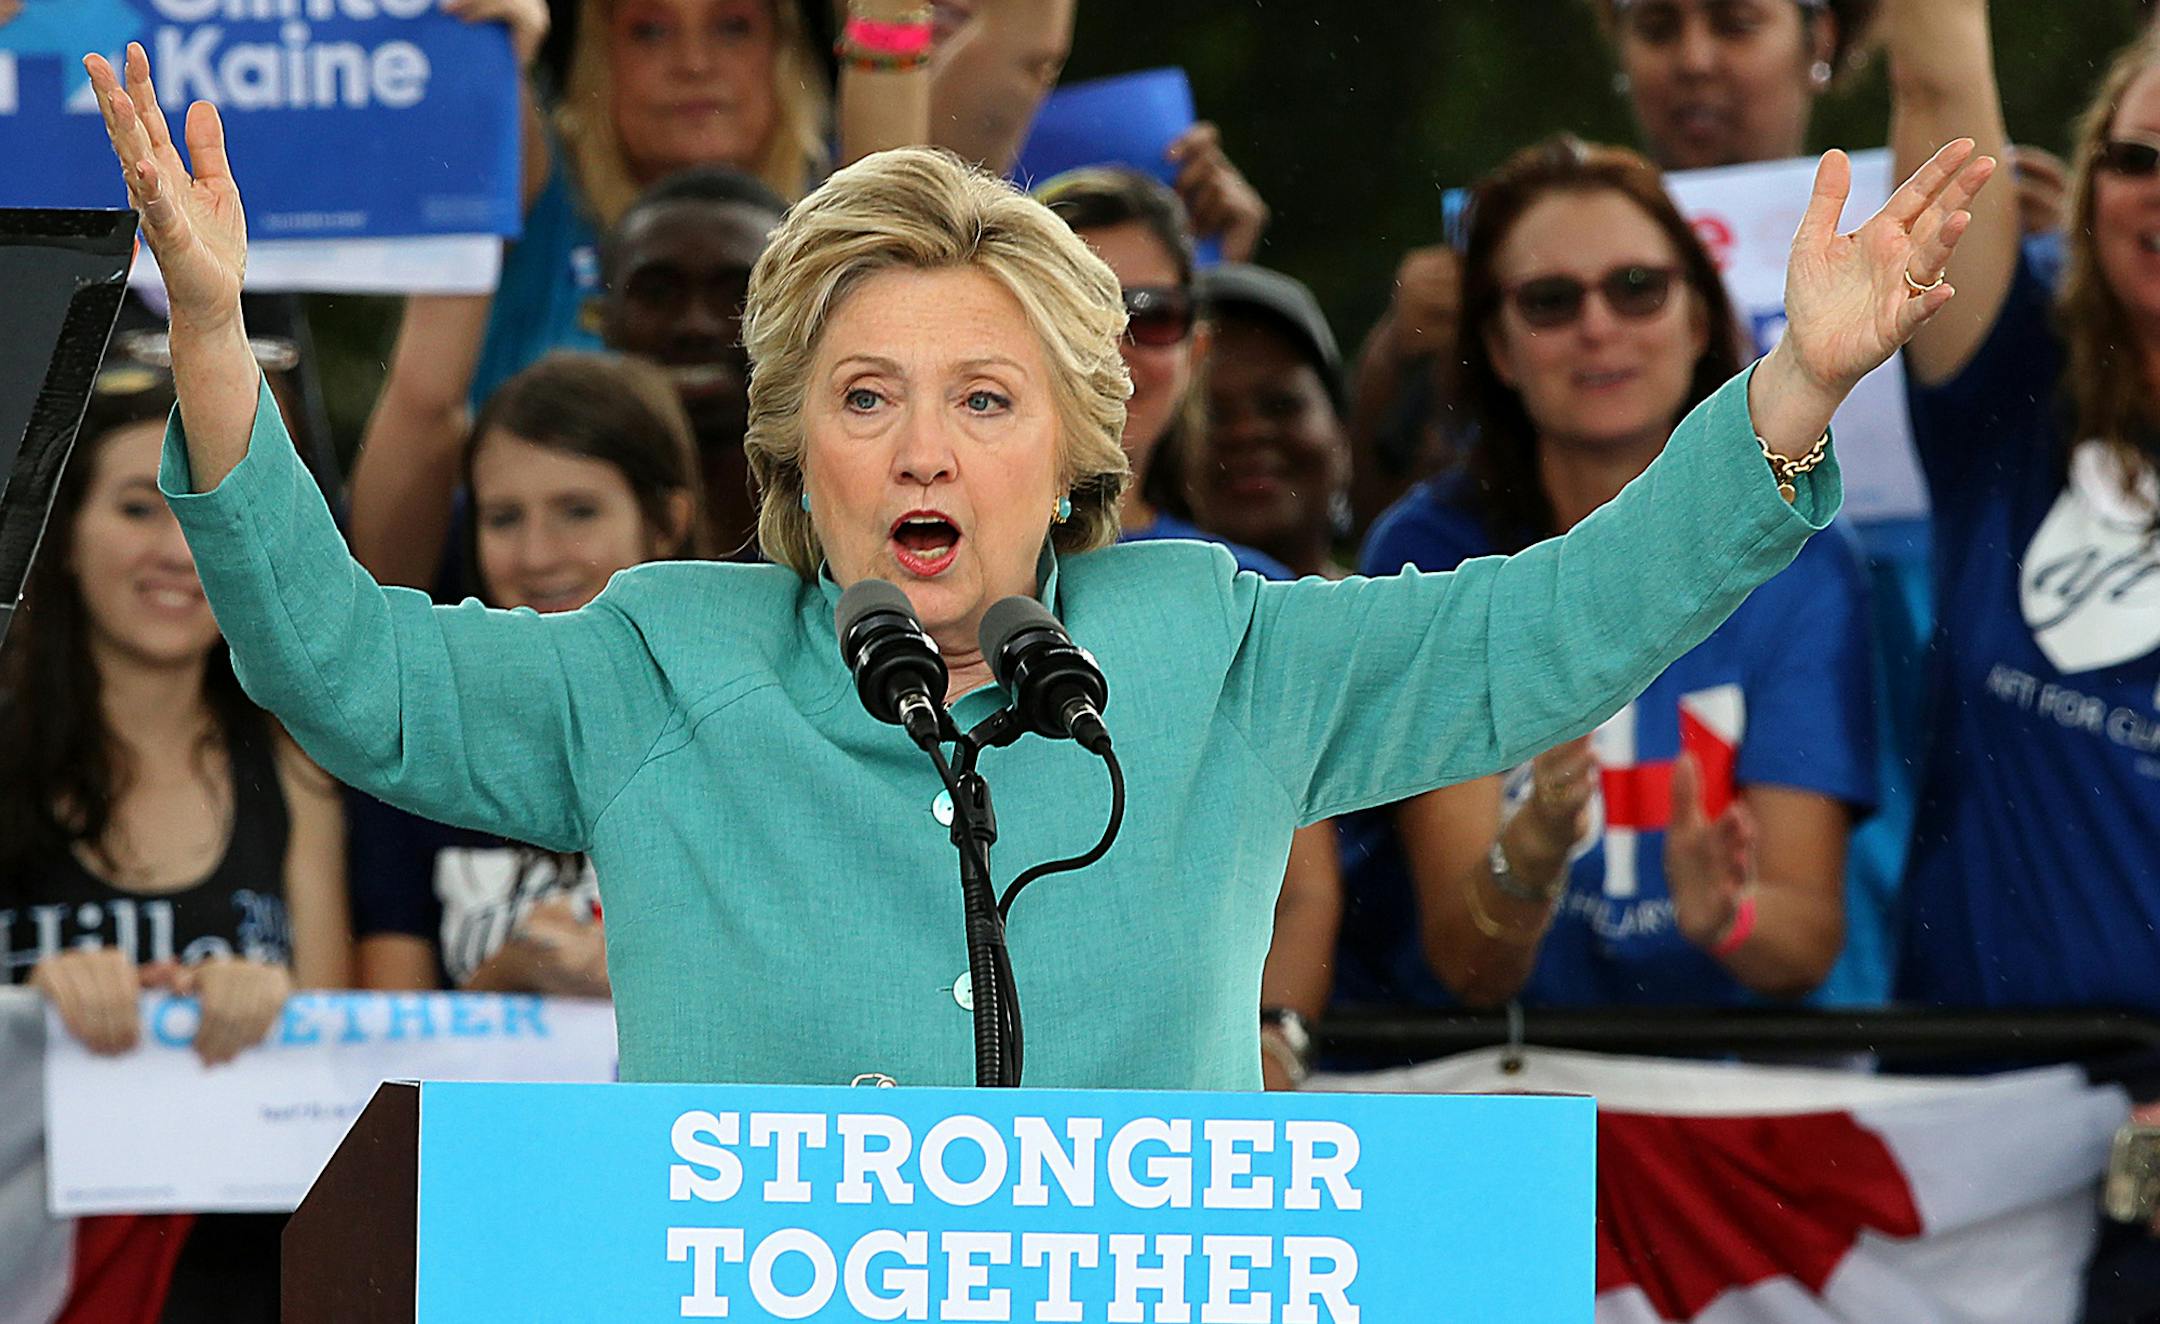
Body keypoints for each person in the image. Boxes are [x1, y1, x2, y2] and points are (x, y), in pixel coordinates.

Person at [89, 40, 1986, 1086]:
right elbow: (344, 669)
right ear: (788, 450)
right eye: (869, 397)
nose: (923, 444)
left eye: (985, 398)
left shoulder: (1211, 642)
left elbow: (1540, 629)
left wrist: (1796, 383)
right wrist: (207, 342)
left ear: (1083, 448)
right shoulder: (657, 658)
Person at [1337, 138, 1877, 1013]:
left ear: (1699, 319)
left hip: (1715, 1099)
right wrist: (1535, 853)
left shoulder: (1806, 558)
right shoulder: (1427, 552)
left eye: (1638, 289)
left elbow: (1804, 944)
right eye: (1550, 301)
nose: (1598, 327)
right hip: (1486, 1095)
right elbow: (1467, 965)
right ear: (1499, 350)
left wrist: (1729, 917)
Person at [0, 359, 352, 1324]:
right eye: (136, 508)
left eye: (201, 515)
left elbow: (337, 1065)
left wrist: (274, 1006)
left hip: (234, 1274)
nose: (176, 549)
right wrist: (25, 1013)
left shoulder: (298, 768)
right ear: (64, 535)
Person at [1879, 2, 2160, 1013]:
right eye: (2137, 157)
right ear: (2091, 184)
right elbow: (1939, 87)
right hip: (1979, 1090)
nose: (2159, 194)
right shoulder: (2015, 371)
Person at [351, 353, 708, 993]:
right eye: (504, 518)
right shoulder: (420, 743)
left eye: (577, 511)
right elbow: (384, 1044)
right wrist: (510, 978)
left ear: (667, 523)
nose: (538, 555)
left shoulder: (756, 733)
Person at [350, 168, 781, 587]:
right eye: (657, 292)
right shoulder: (491, 527)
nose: (695, 325)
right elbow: (425, 403)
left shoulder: (829, 532)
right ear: (602, 315)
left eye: (740, 294)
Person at [1188, 263, 1355, 580]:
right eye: (1211, 414)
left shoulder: (1401, 620)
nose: (1246, 432)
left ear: (1342, 433)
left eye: (1280, 405)